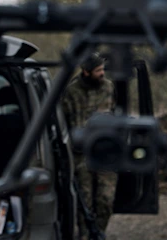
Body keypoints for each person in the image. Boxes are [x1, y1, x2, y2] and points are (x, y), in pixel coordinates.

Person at [61, 52, 116, 239]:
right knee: (84, 202)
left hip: (105, 153)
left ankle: (98, 233)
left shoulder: (109, 87)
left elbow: (116, 113)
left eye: (103, 69)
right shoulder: (71, 92)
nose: (102, 73)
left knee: (106, 199)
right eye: (98, 70)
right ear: (85, 72)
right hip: (81, 154)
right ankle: (85, 235)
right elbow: (62, 123)